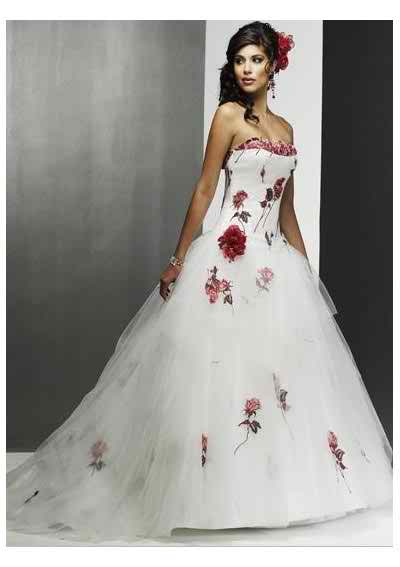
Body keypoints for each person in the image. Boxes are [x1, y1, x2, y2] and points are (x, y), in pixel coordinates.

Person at [7, 21, 393, 543]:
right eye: (240, 60)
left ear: (273, 66)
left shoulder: (286, 130)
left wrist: (306, 273)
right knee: (215, 373)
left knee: (270, 377)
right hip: (227, 260)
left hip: (273, 265)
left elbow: (287, 213)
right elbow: (206, 189)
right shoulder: (228, 116)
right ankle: (202, 493)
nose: (247, 68)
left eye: (257, 59)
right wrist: (179, 257)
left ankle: (261, 491)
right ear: (233, 67)